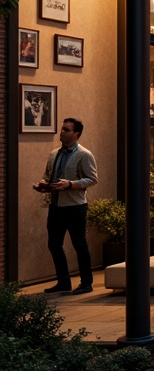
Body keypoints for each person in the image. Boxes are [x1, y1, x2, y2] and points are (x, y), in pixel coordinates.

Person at [34, 118, 98, 294]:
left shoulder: (84, 154)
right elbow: (48, 175)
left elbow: (92, 179)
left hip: (75, 207)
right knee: (54, 244)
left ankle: (86, 283)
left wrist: (70, 184)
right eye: (62, 129)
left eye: (66, 130)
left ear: (76, 134)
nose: (61, 132)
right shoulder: (55, 153)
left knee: (79, 244)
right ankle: (63, 281)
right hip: (56, 205)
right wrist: (43, 184)